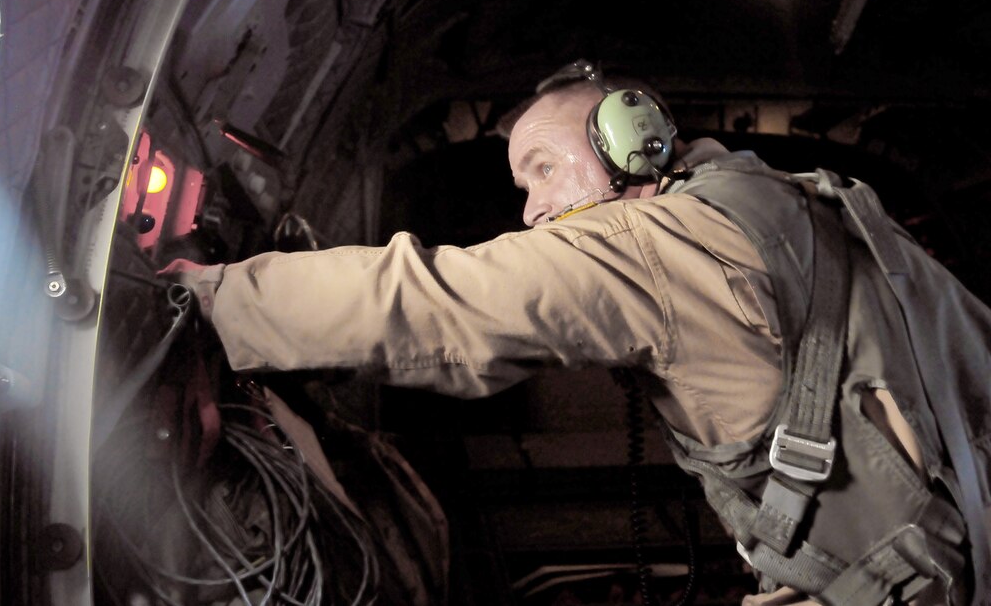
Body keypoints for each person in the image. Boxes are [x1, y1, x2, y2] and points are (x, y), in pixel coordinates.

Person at [163, 60, 989, 605]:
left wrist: (213, 298)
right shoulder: (786, 201)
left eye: (544, 169)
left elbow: (438, 302)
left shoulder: (661, 244)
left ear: (633, 144)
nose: (531, 209)